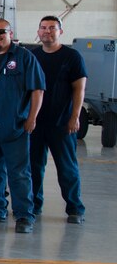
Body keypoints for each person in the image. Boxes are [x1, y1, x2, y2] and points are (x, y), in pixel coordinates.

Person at [0, 18, 43, 233]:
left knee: (19, 173)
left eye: (1, 32)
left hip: (15, 126)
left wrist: (32, 118)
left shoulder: (24, 58)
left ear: (10, 33)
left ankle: (24, 216)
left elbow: (37, 90)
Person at [30, 15, 87, 224]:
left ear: (60, 31)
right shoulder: (33, 56)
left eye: (52, 28)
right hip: (36, 123)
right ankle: (34, 206)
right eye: (43, 28)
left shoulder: (72, 56)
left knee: (67, 167)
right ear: (38, 32)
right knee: (34, 167)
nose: (47, 31)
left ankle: (75, 209)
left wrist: (75, 117)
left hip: (62, 123)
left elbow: (79, 89)